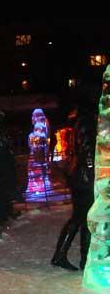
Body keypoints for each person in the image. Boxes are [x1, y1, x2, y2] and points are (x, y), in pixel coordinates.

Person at [51, 85, 99, 271]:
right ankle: (77, 258)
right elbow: (88, 149)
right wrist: (92, 171)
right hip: (85, 177)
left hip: (79, 175)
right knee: (83, 217)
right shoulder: (87, 121)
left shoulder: (80, 121)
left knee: (81, 217)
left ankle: (73, 257)